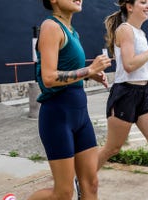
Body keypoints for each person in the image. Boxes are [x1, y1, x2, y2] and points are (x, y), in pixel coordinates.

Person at [28, 0, 111, 200]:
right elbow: (48, 78)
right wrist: (89, 70)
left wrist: (92, 75)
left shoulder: (72, 31)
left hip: (80, 115)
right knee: (63, 193)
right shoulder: (51, 27)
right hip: (57, 116)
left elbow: (68, 69)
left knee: (91, 184)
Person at [97, 0, 148, 200]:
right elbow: (129, 65)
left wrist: (147, 60)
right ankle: (79, 177)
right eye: (143, 2)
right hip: (125, 94)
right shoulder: (125, 30)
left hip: (144, 92)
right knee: (113, 148)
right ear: (130, 6)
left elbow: (134, 62)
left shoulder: (141, 33)